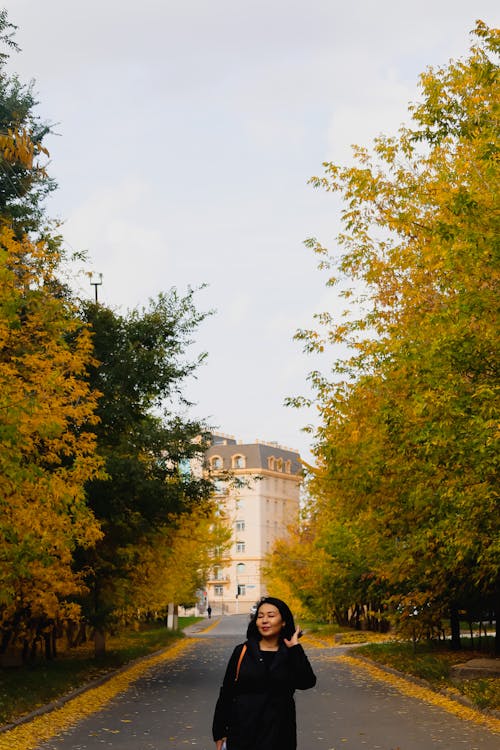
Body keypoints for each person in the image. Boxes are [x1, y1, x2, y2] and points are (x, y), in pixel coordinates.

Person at [212, 596, 316, 750]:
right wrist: (219, 731)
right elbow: (227, 692)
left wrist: (295, 647)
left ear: (284, 622)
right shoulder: (242, 651)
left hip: (280, 735)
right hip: (242, 734)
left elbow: (307, 682)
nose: (264, 620)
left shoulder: (290, 654)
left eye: (271, 616)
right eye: (260, 616)